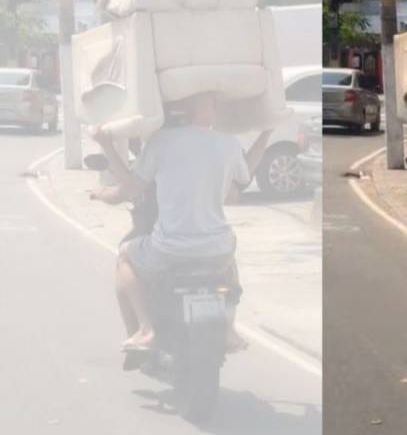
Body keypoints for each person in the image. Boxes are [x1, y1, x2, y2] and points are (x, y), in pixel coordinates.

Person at [92, 92, 272, 352]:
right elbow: (239, 187)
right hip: (216, 248)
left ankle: (146, 329)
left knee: (124, 257)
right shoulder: (229, 144)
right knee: (229, 258)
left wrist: (107, 145)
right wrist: (265, 135)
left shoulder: (161, 141)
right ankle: (228, 329)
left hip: (169, 250)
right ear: (210, 110)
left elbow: (131, 188)